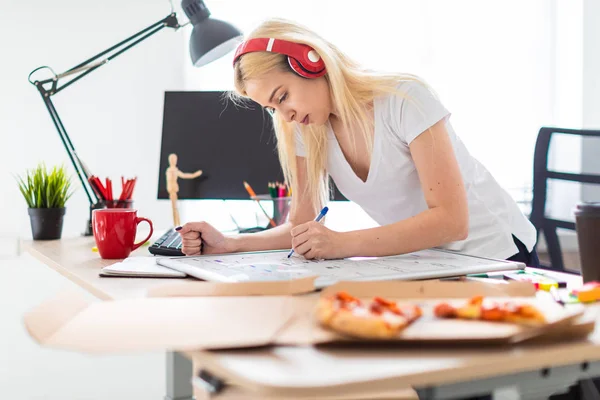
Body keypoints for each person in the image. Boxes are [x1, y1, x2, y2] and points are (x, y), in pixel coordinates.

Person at [176, 18, 539, 266]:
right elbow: (301, 230)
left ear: (311, 63)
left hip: (498, 258)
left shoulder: (404, 99)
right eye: (272, 108)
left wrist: (341, 243)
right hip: (431, 263)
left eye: (282, 96)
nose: (283, 115)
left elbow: (451, 221)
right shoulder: (306, 127)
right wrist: (231, 243)